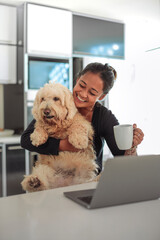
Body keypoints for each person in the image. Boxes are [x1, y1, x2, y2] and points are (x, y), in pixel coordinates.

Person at [21, 62, 144, 174]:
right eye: (82, 85)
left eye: (92, 93)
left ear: (102, 96)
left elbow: (122, 156)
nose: (83, 94)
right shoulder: (61, 99)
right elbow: (26, 140)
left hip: (85, 180)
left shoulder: (104, 117)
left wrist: (132, 146)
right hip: (52, 178)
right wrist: (62, 145)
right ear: (77, 79)